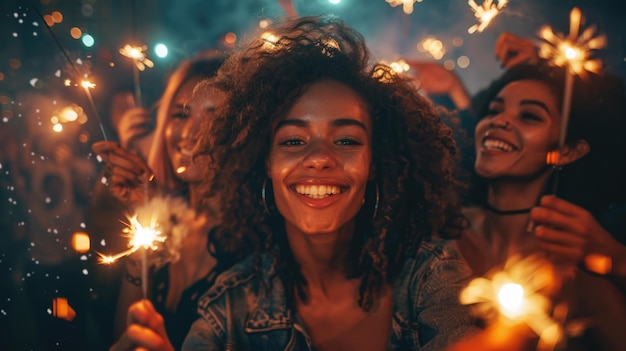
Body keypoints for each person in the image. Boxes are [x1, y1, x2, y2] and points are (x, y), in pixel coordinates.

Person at [175, 15, 476, 350]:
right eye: (293, 141)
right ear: (266, 163)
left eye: (346, 140)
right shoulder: (228, 309)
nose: (319, 157)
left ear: (374, 162)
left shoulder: (430, 276)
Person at [414, 32, 626, 350]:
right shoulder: (434, 226)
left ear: (568, 152)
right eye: (495, 110)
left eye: (529, 116)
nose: (500, 121)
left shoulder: (572, 265)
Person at [94, 52, 239, 351]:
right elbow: (124, 338)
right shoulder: (165, 219)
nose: (188, 133)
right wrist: (144, 212)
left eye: (214, 117)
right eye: (181, 114)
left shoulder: (261, 245)